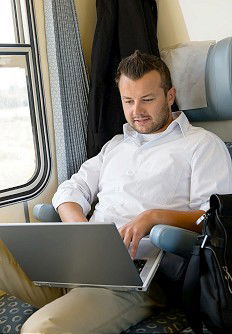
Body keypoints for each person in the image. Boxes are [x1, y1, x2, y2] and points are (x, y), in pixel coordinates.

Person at [0, 51, 231, 334]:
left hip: (134, 278)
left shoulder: (202, 145)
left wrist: (153, 217)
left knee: (40, 330)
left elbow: (215, 219)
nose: (137, 111)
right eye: (128, 101)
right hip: (81, 262)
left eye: (147, 99)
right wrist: (79, 228)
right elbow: (73, 188)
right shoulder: (116, 145)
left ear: (170, 96)